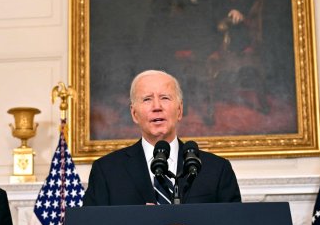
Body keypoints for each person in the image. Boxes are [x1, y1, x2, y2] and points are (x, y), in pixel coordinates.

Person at [83, 70, 241, 206]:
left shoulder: (217, 169)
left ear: (179, 110)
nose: (157, 107)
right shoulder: (107, 171)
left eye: (165, 98)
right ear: (134, 113)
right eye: (147, 99)